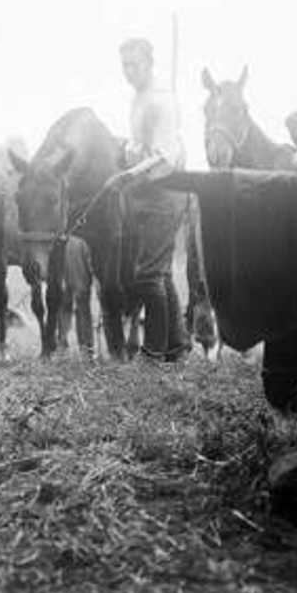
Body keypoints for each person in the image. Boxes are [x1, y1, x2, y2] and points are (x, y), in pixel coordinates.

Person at [106, 38, 192, 362]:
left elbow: (165, 152)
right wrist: (127, 150)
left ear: (150, 63)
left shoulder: (161, 99)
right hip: (146, 193)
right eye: (125, 65)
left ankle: (152, 354)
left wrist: (128, 174)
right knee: (162, 273)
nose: (129, 71)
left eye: (135, 64)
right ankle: (177, 347)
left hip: (165, 192)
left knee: (148, 275)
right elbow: (141, 145)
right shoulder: (138, 99)